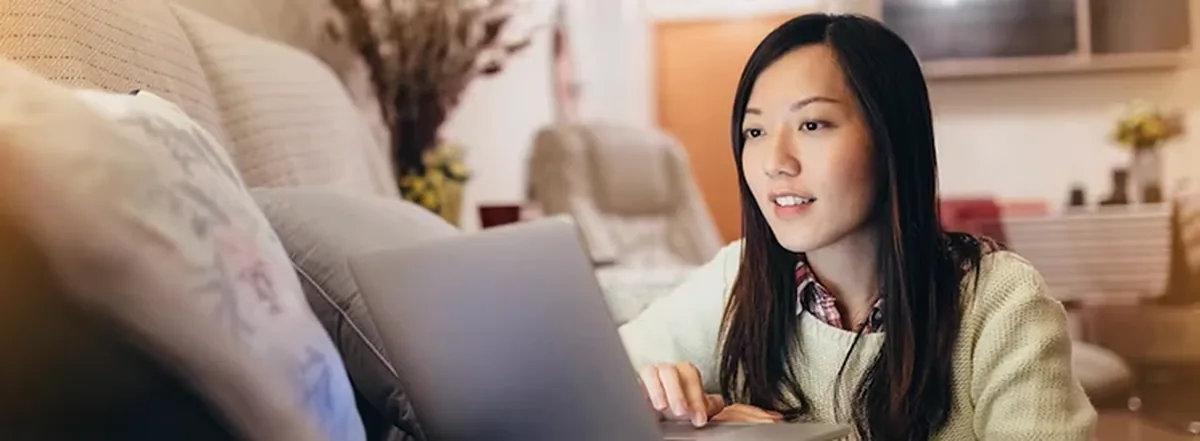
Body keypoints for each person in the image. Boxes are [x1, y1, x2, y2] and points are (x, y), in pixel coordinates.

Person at [617, 13, 1097, 441]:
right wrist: (671, 417)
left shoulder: (999, 301)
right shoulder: (736, 280)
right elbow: (578, 386)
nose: (775, 163)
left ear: (890, 137)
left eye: (812, 125)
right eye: (755, 132)